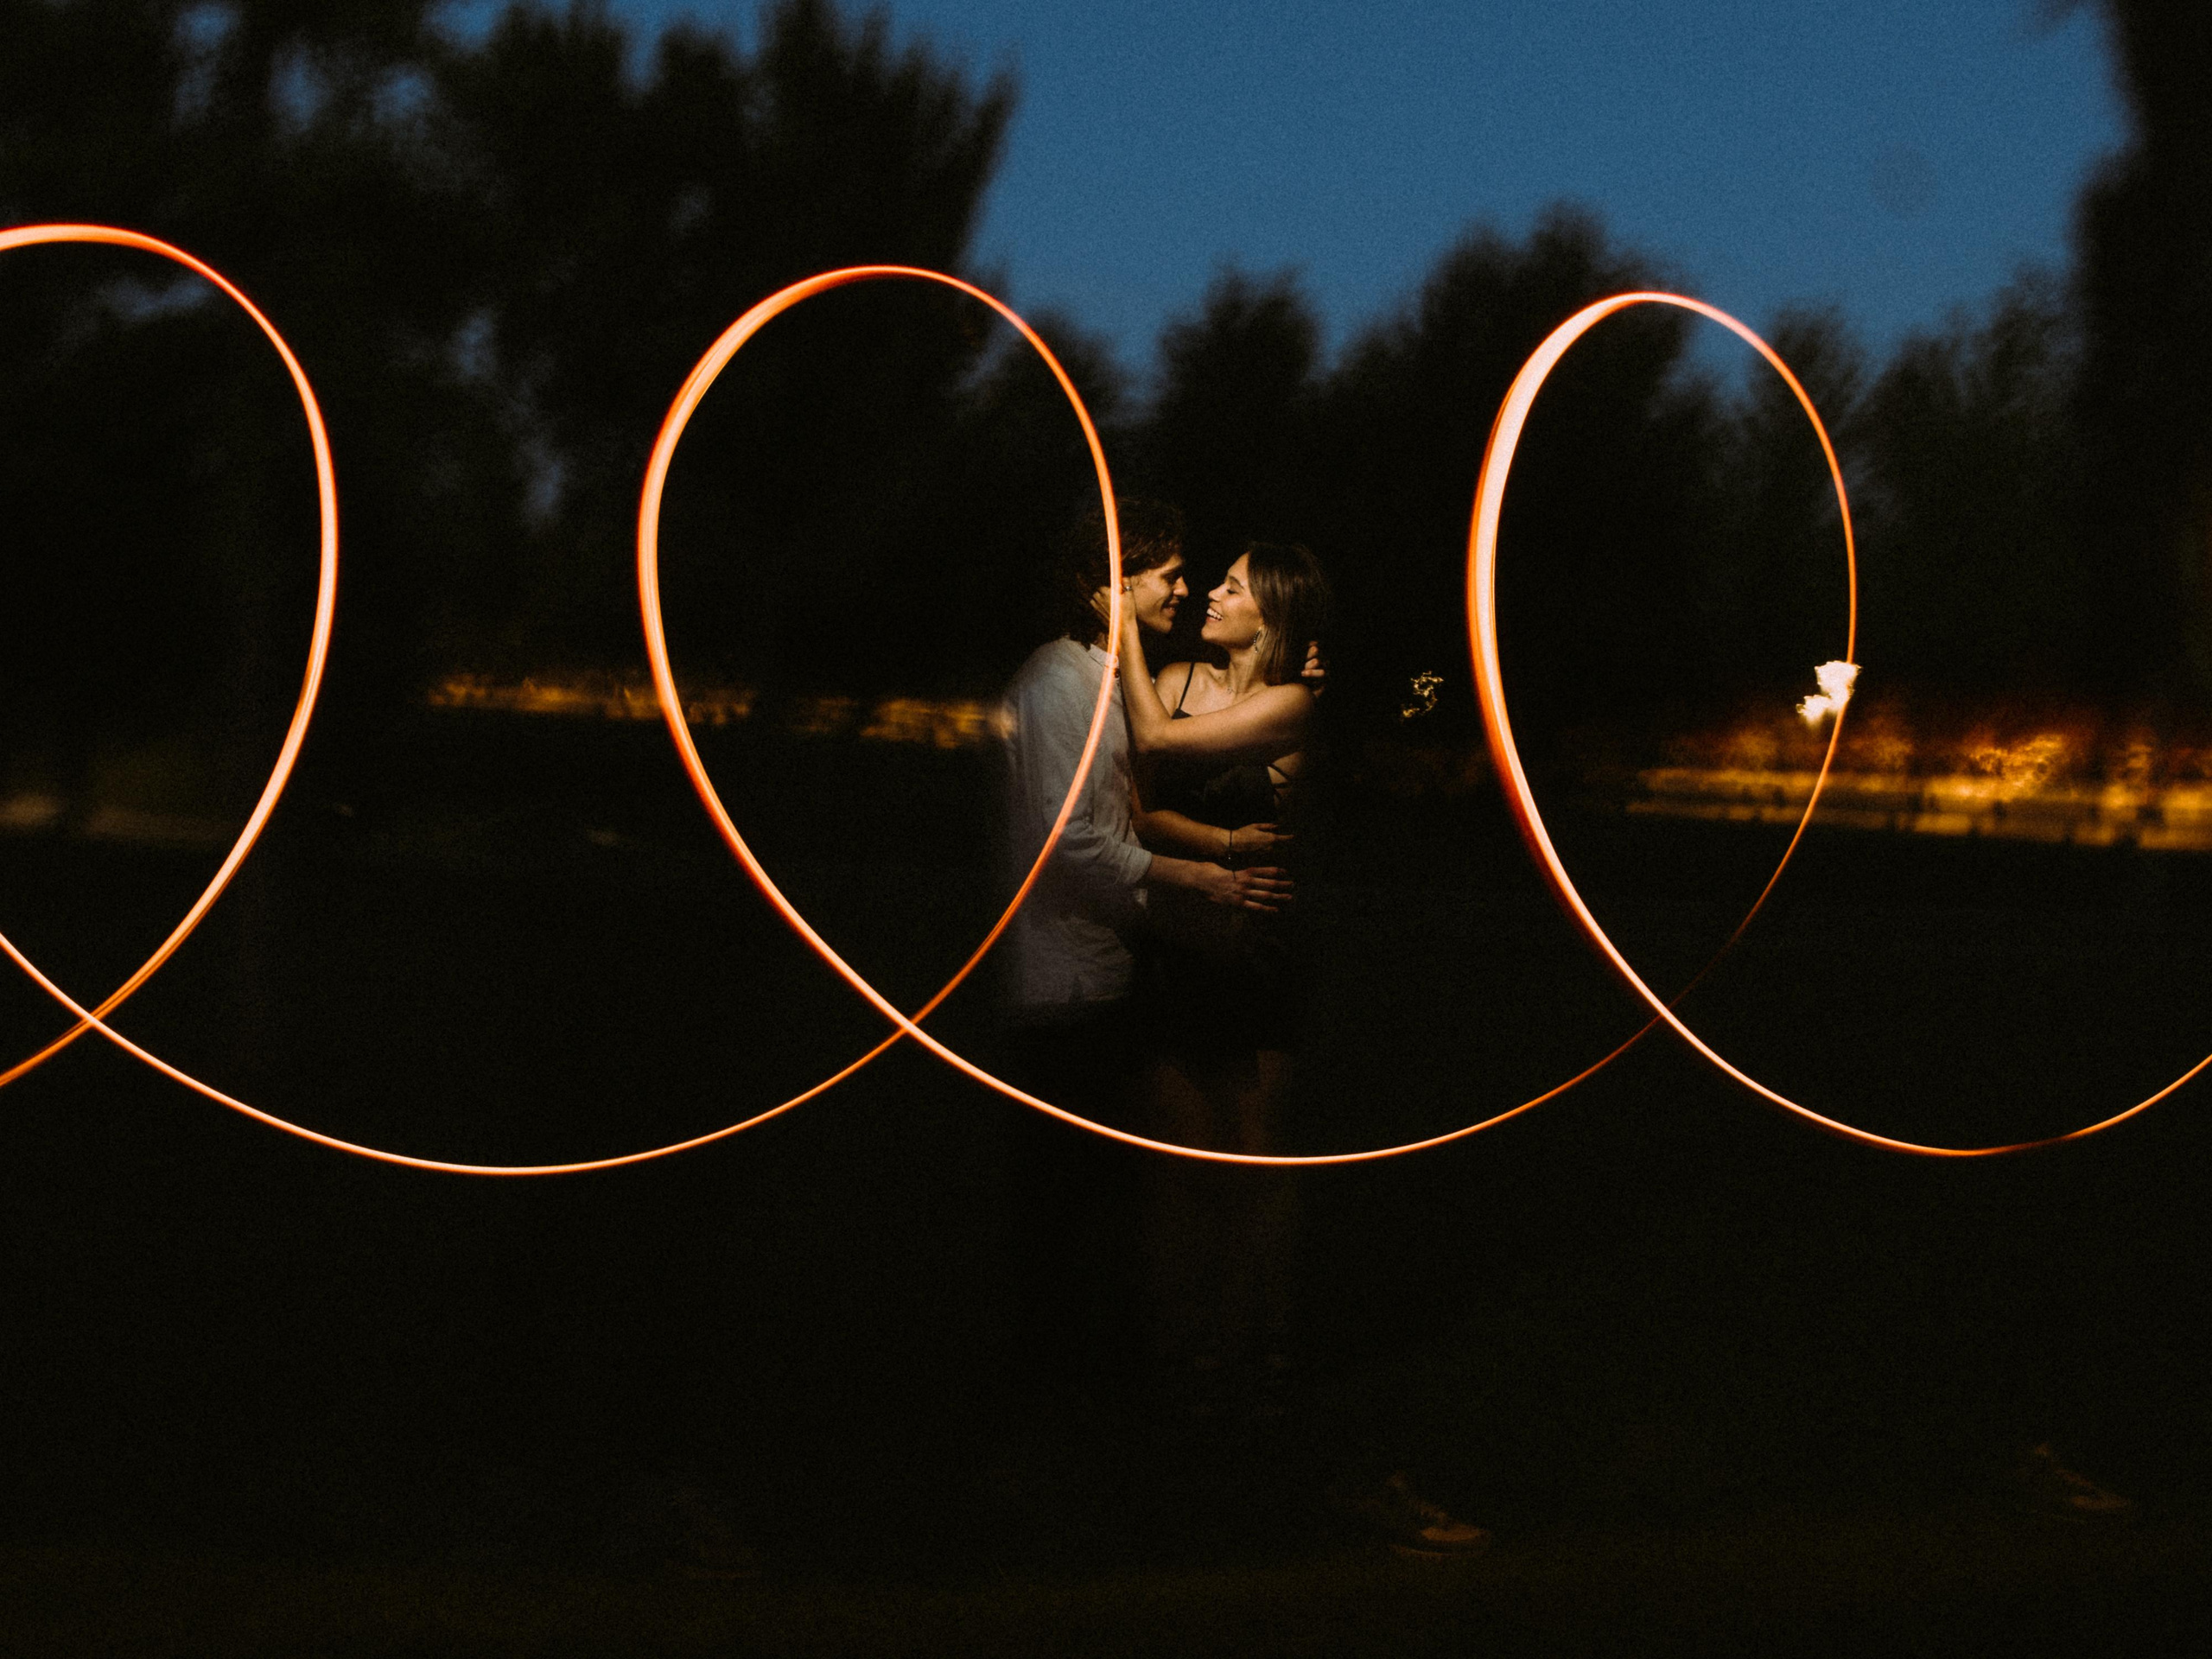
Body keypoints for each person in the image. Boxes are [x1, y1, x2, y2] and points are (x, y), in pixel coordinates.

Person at [1114, 541, 1492, 1560]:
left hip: (1260, 954)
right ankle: (1184, 1367)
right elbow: (1138, 803)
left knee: (1254, 1159)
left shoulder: (1290, 705)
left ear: (1274, 614)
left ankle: (1256, 1358)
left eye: (1235, 586)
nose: (1215, 596)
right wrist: (1225, 853)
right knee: (1176, 1163)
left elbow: (1151, 741)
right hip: (1181, 942)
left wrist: (1118, 637)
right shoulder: (1185, 677)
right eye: (1219, 581)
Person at [994, 500, 1292, 1400]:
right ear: (1108, 588)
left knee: (1135, 1187)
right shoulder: (1059, 684)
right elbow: (1069, 841)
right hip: (1065, 981)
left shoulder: (1116, 680)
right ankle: (1060, 1383)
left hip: (1118, 973)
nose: (1185, 587)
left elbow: (1130, 796)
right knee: (1075, 1200)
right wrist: (1196, 877)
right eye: (1166, 573)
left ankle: (1154, 1361)